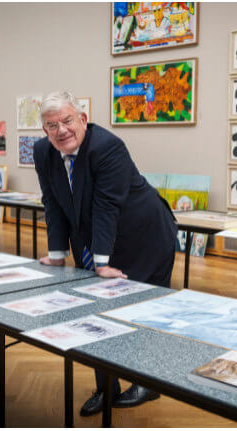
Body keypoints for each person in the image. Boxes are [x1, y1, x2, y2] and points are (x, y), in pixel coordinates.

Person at [33, 91, 178, 417]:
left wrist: (102, 263)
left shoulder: (106, 147)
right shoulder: (43, 151)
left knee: (141, 310)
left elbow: (106, 206)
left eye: (68, 121)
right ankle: (106, 387)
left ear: (83, 119)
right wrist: (56, 254)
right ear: (44, 130)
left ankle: (148, 382)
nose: (61, 130)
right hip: (98, 237)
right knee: (96, 311)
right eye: (52, 125)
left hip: (144, 235)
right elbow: (52, 202)